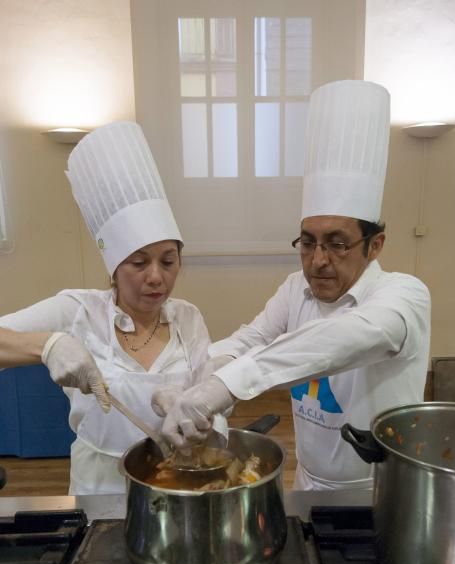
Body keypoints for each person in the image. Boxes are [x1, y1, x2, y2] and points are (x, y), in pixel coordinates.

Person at [152, 80, 431, 491]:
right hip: (306, 482)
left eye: (337, 243)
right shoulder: (295, 288)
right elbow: (250, 341)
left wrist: (224, 388)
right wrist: (192, 380)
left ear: (375, 246)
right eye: (308, 242)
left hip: (381, 494)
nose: (318, 260)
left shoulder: (404, 297)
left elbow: (337, 341)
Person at [0, 121, 211, 495]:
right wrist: (47, 345)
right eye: (138, 263)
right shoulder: (78, 310)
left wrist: (198, 413)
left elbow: (213, 403)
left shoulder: (188, 319)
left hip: (176, 483)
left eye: (168, 261)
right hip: (99, 489)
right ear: (113, 266)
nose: (156, 278)